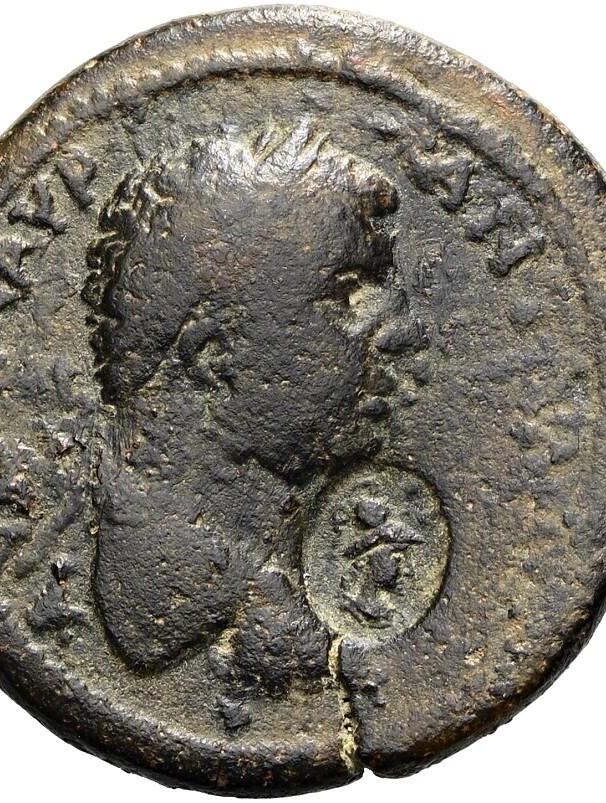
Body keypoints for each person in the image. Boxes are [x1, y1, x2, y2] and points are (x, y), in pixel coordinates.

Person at [85, 121, 405, 693]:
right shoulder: (177, 594)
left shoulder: (270, 574)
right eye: (346, 296)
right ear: (214, 354)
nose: (399, 332)